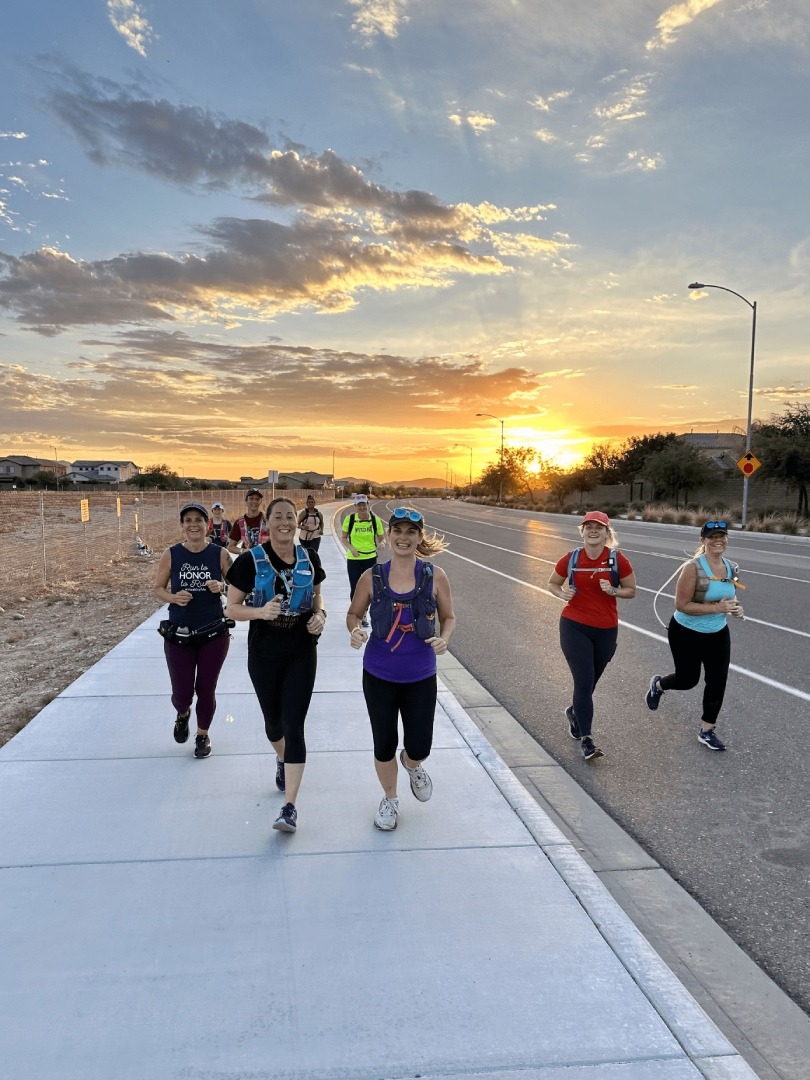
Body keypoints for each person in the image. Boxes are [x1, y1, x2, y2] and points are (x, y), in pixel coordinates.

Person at [347, 507, 456, 831]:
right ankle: (390, 799)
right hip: (379, 673)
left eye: (411, 532)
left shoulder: (434, 576)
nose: (403, 537)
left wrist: (445, 639)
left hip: (420, 674)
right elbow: (354, 613)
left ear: (420, 537)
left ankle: (412, 764)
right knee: (383, 742)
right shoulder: (373, 576)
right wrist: (355, 630)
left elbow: (448, 617)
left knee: (420, 744)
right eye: (398, 530)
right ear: (389, 535)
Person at [225, 497, 326, 833]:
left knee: (294, 726)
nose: (285, 522)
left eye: (289, 517)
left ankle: (290, 807)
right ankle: (281, 757)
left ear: (297, 523)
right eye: (278, 516)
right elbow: (231, 608)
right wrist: (259, 612)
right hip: (265, 651)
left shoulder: (309, 557)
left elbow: (316, 595)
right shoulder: (250, 560)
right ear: (267, 522)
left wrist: (320, 616)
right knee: (274, 724)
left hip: (301, 648)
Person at [645, 520, 744, 751]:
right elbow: (681, 605)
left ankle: (707, 730)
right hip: (686, 632)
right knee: (688, 679)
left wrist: (737, 609)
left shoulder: (733, 568)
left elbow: (730, 598)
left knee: (717, 681)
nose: (718, 540)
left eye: (722, 536)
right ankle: (659, 686)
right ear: (703, 541)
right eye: (712, 537)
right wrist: (719, 609)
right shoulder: (692, 568)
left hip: (718, 633)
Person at [547, 510, 636, 761]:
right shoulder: (572, 558)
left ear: (607, 532)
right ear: (582, 531)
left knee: (591, 682)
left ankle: (574, 712)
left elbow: (632, 590)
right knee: (584, 682)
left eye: (599, 527)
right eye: (589, 526)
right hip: (574, 625)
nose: (593, 530)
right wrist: (561, 593)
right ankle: (587, 740)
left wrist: (614, 591)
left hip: (606, 629)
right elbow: (553, 582)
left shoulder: (618, 560)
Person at [153, 502, 232, 759]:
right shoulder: (172, 554)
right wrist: (174, 598)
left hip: (213, 633)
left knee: (206, 688)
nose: (193, 524)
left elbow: (239, 588)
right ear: (182, 525)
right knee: (182, 692)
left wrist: (221, 587)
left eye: (198, 519)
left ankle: (202, 735)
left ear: (208, 523)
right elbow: (158, 589)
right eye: (188, 520)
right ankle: (183, 713)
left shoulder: (219, 554)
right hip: (179, 634)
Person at [341, 495, 384, 625]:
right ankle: (356, 614)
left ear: (367, 504)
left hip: (370, 558)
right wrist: (351, 548)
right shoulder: (350, 519)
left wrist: (382, 544)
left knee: (369, 588)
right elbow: (344, 538)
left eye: (364, 504)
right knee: (355, 588)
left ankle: (364, 615)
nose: (362, 507)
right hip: (354, 558)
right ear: (355, 506)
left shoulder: (375, 520)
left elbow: (382, 539)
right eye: (359, 505)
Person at [228, 488, 269, 553]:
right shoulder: (239, 523)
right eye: (251, 498)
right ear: (246, 501)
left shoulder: (267, 520)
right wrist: (243, 551)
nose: (254, 501)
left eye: (257, 499)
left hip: (265, 559)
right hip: (248, 560)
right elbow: (230, 547)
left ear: (260, 501)